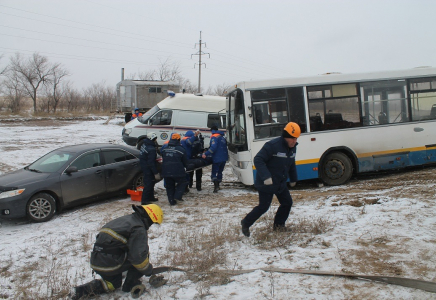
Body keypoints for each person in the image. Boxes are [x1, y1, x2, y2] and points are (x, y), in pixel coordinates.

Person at [71, 204, 163, 299]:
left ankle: (78, 291)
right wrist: (148, 270)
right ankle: (130, 283)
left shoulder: (126, 220)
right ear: (150, 219)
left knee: (112, 282)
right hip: (109, 263)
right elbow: (138, 258)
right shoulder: (138, 228)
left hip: (96, 260)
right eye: (153, 223)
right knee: (142, 254)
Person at [240, 122, 300, 237]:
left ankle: (279, 226)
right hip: (266, 183)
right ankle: (246, 223)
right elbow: (258, 159)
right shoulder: (273, 145)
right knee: (263, 207)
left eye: (296, 138)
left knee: (287, 203)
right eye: (292, 138)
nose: (294, 141)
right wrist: (266, 177)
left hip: (280, 182)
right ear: (285, 136)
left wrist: (293, 178)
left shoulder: (292, 148)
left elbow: (291, 163)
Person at [161, 133, 188, 205]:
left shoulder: (165, 148)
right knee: (183, 182)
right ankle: (177, 196)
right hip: (177, 171)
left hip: (166, 170)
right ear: (179, 140)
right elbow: (185, 162)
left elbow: (163, 157)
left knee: (169, 186)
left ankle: (171, 201)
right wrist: (188, 166)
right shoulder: (181, 149)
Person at [202, 125, 228, 193]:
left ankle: (216, 186)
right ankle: (218, 185)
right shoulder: (222, 137)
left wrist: (206, 154)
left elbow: (213, 148)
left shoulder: (214, 137)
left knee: (214, 173)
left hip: (217, 158)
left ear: (212, 131)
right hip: (224, 158)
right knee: (220, 172)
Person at [139, 133, 161, 205]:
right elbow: (151, 162)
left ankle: (151, 197)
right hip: (148, 168)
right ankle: (144, 200)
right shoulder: (151, 149)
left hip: (144, 166)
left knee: (151, 183)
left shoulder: (144, 144)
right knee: (148, 184)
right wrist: (155, 172)